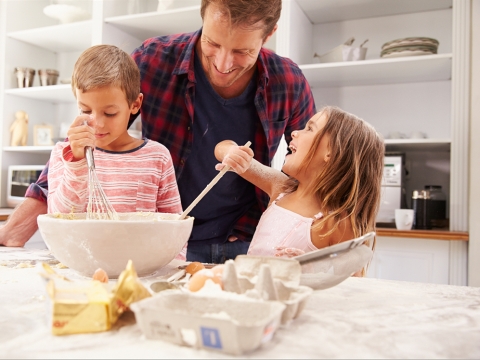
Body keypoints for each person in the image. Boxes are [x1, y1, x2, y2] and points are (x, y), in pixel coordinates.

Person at [0, 0, 316, 264]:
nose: (222, 63)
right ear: (203, 13)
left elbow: (313, 176)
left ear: (270, 33)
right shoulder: (152, 61)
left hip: (242, 241)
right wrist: (13, 234)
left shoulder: (288, 82)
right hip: (158, 243)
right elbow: (85, 138)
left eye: (242, 51)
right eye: (213, 42)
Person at [214, 106, 384, 263]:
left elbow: (354, 285)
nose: (295, 132)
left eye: (309, 129)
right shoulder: (281, 188)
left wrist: (312, 268)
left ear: (331, 152)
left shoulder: (337, 223)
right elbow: (222, 148)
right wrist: (231, 152)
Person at [47, 44, 182, 218]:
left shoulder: (157, 157)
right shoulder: (64, 154)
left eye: (110, 113)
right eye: (86, 111)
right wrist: (77, 164)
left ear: (135, 105)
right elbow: (57, 220)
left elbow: (175, 228)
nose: (97, 124)